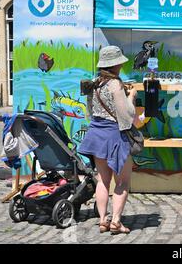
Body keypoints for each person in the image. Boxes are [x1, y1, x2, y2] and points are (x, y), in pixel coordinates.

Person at [78, 46, 137, 234]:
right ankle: (116, 222)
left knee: (103, 181)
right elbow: (127, 116)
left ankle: (103, 220)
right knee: (122, 182)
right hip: (114, 136)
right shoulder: (115, 84)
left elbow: (90, 112)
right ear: (116, 64)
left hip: (97, 135)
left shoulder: (94, 83)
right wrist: (132, 97)